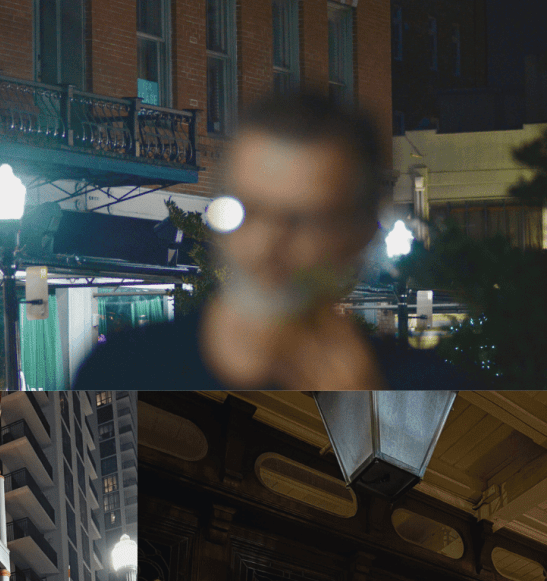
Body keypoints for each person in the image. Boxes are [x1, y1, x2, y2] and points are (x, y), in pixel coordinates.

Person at [73, 90, 486, 390]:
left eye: (303, 221)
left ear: (360, 236)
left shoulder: (428, 385)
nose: (266, 244)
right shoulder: (119, 370)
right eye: (248, 210)